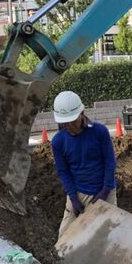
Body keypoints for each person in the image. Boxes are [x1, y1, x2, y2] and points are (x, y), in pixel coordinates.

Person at [51, 90, 117, 237]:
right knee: (64, 235)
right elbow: (63, 171)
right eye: (65, 123)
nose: (69, 126)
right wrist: (73, 197)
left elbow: (110, 162)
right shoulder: (58, 142)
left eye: (72, 121)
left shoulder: (99, 132)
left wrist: (105, 190)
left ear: (82, 113)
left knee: (109, 235)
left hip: (105, 189)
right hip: (78, 192)